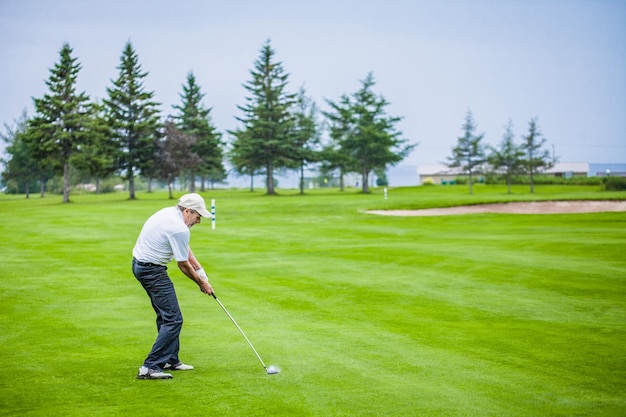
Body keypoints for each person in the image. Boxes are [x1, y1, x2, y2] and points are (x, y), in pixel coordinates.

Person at [132, 193, 215, 380]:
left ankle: (170, 359)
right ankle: (150, 367)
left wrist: (200, 270)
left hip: (141, 265)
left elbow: (184, 248)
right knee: (173, 319)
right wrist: (202, 284)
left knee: (165, 316)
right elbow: (182, 264)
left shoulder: (169, 213)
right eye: (198, 216)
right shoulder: (179, 228)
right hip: (151, 271)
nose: (199, 221)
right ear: (187, 211)